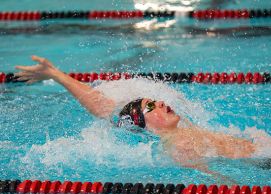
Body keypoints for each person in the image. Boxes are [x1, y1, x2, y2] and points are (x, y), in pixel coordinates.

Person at [15, 55, 256, 184]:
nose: (160, 102)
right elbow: (211, 176)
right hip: (265, 161)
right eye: (150, 106)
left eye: (155, 100)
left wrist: (56, 74)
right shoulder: (178, 144)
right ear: (145, 124)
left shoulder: (182, 130)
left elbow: (104, 107)